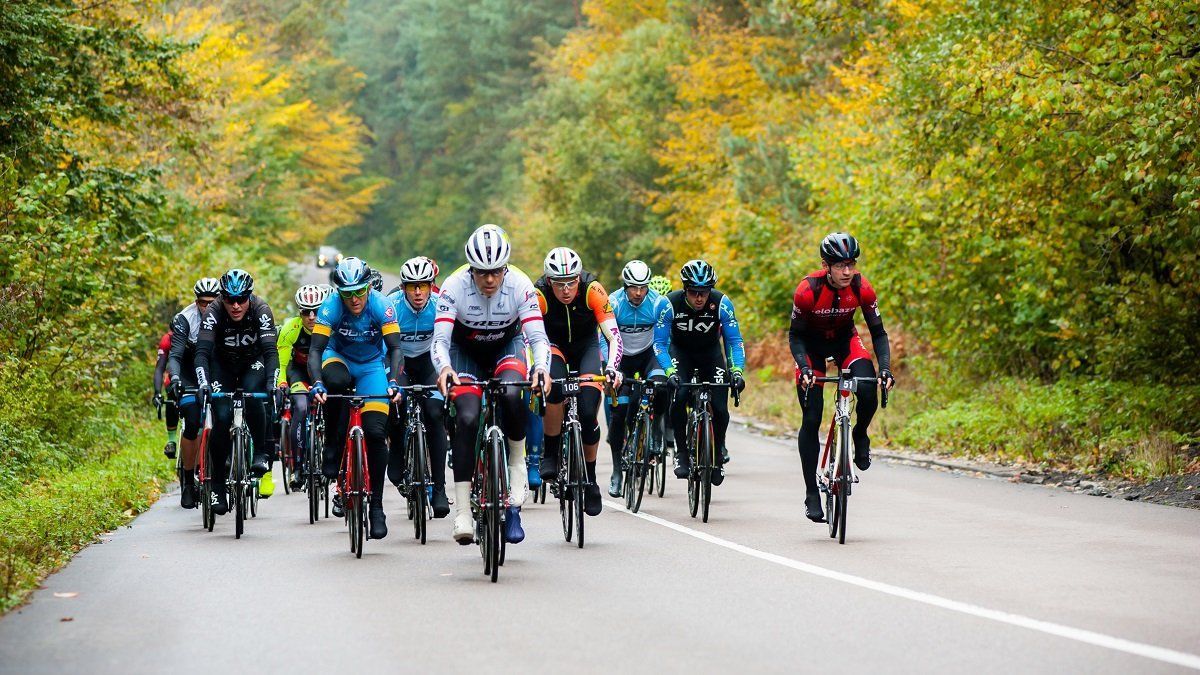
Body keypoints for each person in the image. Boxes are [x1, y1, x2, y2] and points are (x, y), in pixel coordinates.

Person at [433, 224, 551, 545]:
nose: (489, 279)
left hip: (505, 347)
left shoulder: (520, 284)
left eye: (496, 272)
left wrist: (541, 367)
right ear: (471, 269)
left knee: (514, 393)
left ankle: (516, 466)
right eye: (482, 272)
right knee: (468, 417)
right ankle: (463, 512)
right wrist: (443, 368)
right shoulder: (453, 286)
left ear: (505, 268)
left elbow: (538, 337)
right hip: (465, 352)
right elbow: (441, 340)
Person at [790, 232, 894, 522]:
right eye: (840, 265)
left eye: (851, 264)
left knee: (869, 388)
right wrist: (805, 368)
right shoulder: (807, 290)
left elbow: (878, 332)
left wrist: (885, 368)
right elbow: (795, 335)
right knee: (811, 417)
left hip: (844, 341)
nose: (847, 271)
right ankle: (812, 491)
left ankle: (859, 434)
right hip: (811, 348)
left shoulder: (862, 286)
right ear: (827, 266)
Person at [308, 257, 404, 540]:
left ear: (367, 288)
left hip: (372, 366)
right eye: (347, 294)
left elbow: (395, 349)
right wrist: (316, 383)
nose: (354, 299)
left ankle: (376, 507)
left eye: (359, 292)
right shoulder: (330, 307)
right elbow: (315, 351)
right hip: (338, 358)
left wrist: (394, 381)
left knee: (375, 433)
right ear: (339, 292)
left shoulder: (380, 305)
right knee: (335, 383)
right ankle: (333, 447)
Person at [532, 247, 623, 516]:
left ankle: (591, 480)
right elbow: (529, 335)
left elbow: (614, 335)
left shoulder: (593, 289)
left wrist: (612, 368)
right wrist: (538, 369)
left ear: (579, 278)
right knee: (556, 391)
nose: (565, 289)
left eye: (571, 282)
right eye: (559, 284)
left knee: (586, 412)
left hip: (586, 349)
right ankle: (550, 453)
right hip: (554, 347)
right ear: (549, 281)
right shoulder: (539, 294)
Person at [653, 259, 746, 485]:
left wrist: (736, 371)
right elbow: (659, 344)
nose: (699, 298)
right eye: (694, 292)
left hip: (710, 354)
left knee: (721, 410)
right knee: (680, 396)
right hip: (680, 353)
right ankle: (681, 452)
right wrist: (669, 372)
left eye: (704, 292)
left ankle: (717, 455)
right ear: (685, 289)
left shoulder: (722, 303)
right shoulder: (668, 304)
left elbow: (734, 341)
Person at [193, 270, 279, 515]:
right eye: (230, 299)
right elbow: (201, 352)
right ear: (223, 298)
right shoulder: (214, 311)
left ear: (249, 296)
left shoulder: (261, 310)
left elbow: (271, 352)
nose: (236, 305)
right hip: (222, 365)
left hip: (253, 361)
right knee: (220, 417)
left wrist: (272, 384)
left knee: (253, 394)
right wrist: (203, 383)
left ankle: (261, 452)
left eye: (241, 299)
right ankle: (218, 485)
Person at [385, 256, 451, 518]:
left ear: (431, 286)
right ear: (403, 288)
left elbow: (450, 345)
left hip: (428, 362)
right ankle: (398, 454)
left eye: (423, 286)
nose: (417, 292)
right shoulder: (391, 307)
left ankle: (440, 489)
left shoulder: (439, 306)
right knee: (395, 404)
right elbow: (382, 349)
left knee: (435, 413)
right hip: (400, 362)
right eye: (412, 286)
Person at [604, 260, 669, 497]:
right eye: (633, 287)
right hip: (621, 359)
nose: (639, 293)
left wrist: (668, 366)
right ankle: (617, 471)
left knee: (662, 388)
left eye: (643, 287)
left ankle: (656, 432)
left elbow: (665, 340)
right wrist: (610, 365)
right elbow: (603, 338)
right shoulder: (613, 303)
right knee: (619, 411)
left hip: (649, 355)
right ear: (625, 285)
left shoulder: (659, 303)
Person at [165, 277, 220, 509]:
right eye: (202, 302)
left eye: (212, 301)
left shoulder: (227, 316)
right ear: (196, 301)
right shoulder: (184, 318)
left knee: (225, 412)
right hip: (188, 369)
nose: (207, 307)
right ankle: (188, 480)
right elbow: (175, 354)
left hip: (215, 366)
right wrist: (175, 378)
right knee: (192, 417)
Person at [276, 284, 331, 490]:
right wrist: (281, 383)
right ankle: (298, 468)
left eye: (316, 311)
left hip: (325, 373)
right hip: (299, 373)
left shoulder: (332, 326)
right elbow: (281, 364)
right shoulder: (290, 328)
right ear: (299, 312)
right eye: (305, 311)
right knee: (299, 407)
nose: (311, 316)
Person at [153, 330, 179, 459]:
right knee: (172, 399)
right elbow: (159, 368)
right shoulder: (167, 339)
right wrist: (157, 393)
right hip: (174, 378)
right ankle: (172, 440)